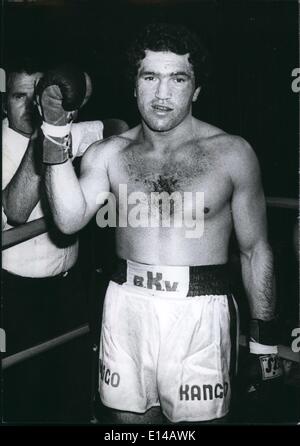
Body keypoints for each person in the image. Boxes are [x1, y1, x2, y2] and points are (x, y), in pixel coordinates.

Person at [37, 23, 283, 424]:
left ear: (196, 89)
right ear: (134, 86)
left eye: (177, 78)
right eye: (150, 77)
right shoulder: (108, 154)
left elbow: (256, 250)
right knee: (128, 428)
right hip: (125, 306)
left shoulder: (232, 154)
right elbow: (67, 221)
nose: (162, 93)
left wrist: (266, 345)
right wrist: (54, 130)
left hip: (200, 312)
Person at [1, 60, 127, 421]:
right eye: (17, 96)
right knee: (25, 390)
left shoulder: (66, 128)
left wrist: (78, 103)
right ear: (4, 102)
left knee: (72, 385)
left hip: (70, 285)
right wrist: (48, 135)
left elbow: (120, 128)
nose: (28, 106)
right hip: (16, 293)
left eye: (35, 94)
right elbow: (16, 212)